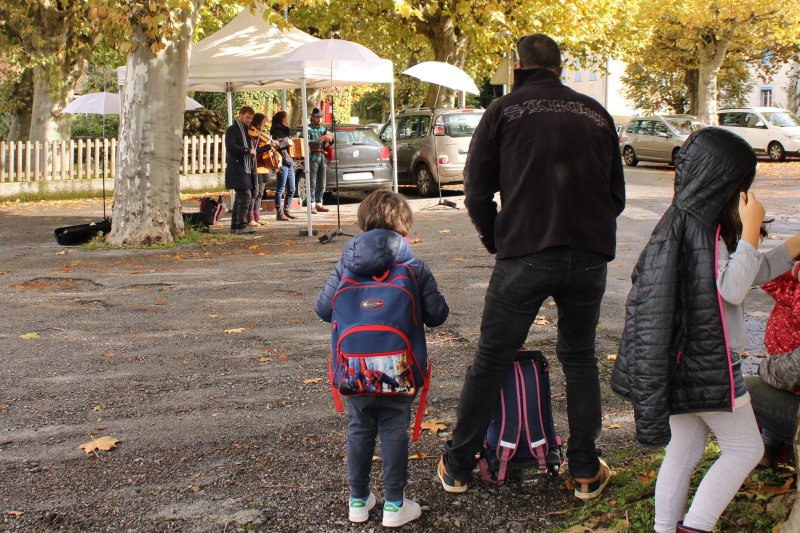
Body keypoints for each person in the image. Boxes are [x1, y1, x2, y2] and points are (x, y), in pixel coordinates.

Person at [438, 34, 625, 500]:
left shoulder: (502, 112)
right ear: (560, 68)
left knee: (492, 358)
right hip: (588, 255)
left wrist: (497, 238)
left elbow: (477, 193)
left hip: (524, 252)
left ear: (517, 65)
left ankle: (459, 465)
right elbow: (616, 197)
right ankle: (583, 468)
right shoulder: (596, 113)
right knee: (580, 357)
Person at [611, 128, 800, 533]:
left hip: (680, 360)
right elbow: (733, 288)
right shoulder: (703, 234)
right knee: (745, 448)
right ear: (725, 183)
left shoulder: (685, 222)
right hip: (710, 364)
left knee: (685, 446)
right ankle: (695, 526)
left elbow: (743, 274)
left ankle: (665, 528)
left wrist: (791, 247)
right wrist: (751, 229)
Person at [315, 190, 448, 528]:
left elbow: (323, 308)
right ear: (404, 225)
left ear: (363, 222)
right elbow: (438, 315)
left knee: (359, 428)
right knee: (393, 429)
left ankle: (357, 502)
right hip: (399, 371)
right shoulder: (414, 267)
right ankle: (394, 505)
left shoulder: (346, 262)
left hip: (354, 369)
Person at [745, 262, 800, 467]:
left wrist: (766, 367)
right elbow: (763, 272)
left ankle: (772, 445)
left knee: (747, 388)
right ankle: (769, 445)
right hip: (784, 366)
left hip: (786, 371)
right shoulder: (791, 287)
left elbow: (792, 372)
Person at [225, 106, 258, 234]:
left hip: (246, 168)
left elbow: (254, 151)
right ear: (241, 116)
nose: (249, 120)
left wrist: (267, 147)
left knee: (240, 198)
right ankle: (241, 225)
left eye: (251, 118)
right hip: (237, 167)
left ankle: (235, 226)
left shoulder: (247, 131)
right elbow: (230, 145)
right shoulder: (233, 129)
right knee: (245, 196)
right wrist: (247, 150)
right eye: (247, 117)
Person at [247, 113, 279, 227]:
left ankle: (257, 217)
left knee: (260, 194)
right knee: (254, 194)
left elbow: (266, 151)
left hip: (263, 167)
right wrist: (269, 146)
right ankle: (250, 218)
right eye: (263, 122)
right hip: (255, 167)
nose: (264, 125)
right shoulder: (253, 136)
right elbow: (258, 151)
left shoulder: (262, 136)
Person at [269, 111, 296, 221]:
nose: (288, 119)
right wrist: (287, 141)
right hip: (282, 161)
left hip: (289, 161)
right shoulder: (277, 130)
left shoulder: (285, 130)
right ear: (282, 119)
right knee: (280, 188)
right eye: (286, 117)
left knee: (292, 188)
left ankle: (286, 210)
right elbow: (277, 143)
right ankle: (279, 212)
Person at [307, 107, 333, 214]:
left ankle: (319, 203)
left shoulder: (323, 129)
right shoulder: (307, 129)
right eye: (317, 117)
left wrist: (330, 140)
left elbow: (328, 144)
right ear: (312, 117)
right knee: (312, 182)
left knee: (322, 182)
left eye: (321, 117)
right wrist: (320, 139)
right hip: (312, 157)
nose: (319, 119)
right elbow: (306, 142)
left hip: (322, 157)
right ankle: (312, 204)